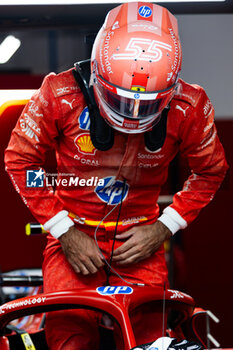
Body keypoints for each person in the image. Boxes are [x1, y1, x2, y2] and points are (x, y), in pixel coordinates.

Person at [4, 2, 228, 350]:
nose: (134, 112)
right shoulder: (58, 93)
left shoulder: (190, 106)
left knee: (151, 343)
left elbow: (211, 170)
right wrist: (63, 230)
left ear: (171, 89)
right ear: (97, 71)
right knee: (70, 342)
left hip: (141, 245)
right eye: (120, 99)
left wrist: (165, 226)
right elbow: (21, 161)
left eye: (148, 103)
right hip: (74, 242)